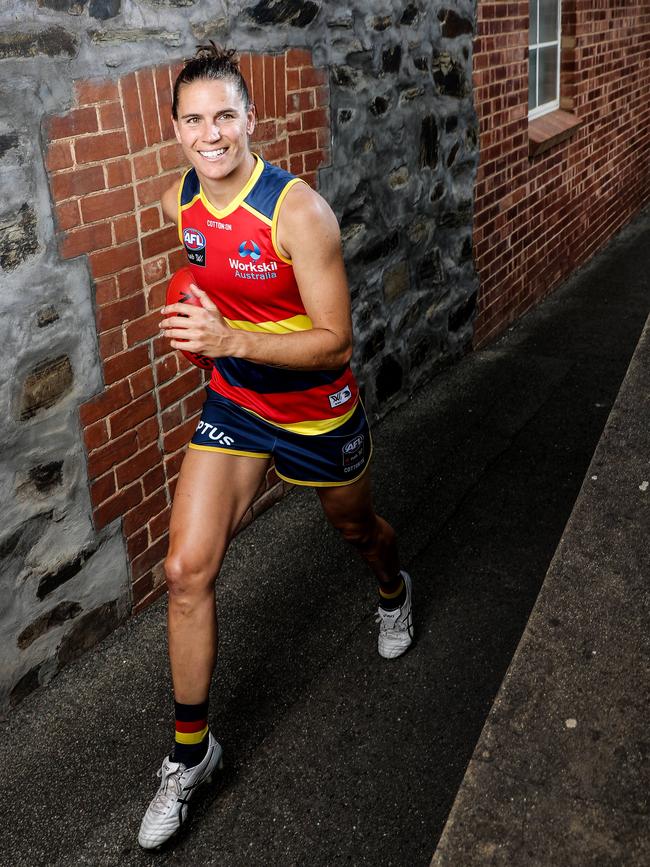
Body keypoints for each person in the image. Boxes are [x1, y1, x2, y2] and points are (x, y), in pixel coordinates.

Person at [137, 43, 414, 850]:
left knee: (360, 533)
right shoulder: (178, 201)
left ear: (251, 118)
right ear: (178, 130)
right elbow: (205, 272)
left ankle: (394, 591)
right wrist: (200, 322)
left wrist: (230, 335)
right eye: (193, 119)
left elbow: (335, 343)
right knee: (186, 570)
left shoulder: (299, 211)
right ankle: (192, 755)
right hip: (238, 405)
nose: (210, 133)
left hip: (318, 410)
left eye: (225, 114)